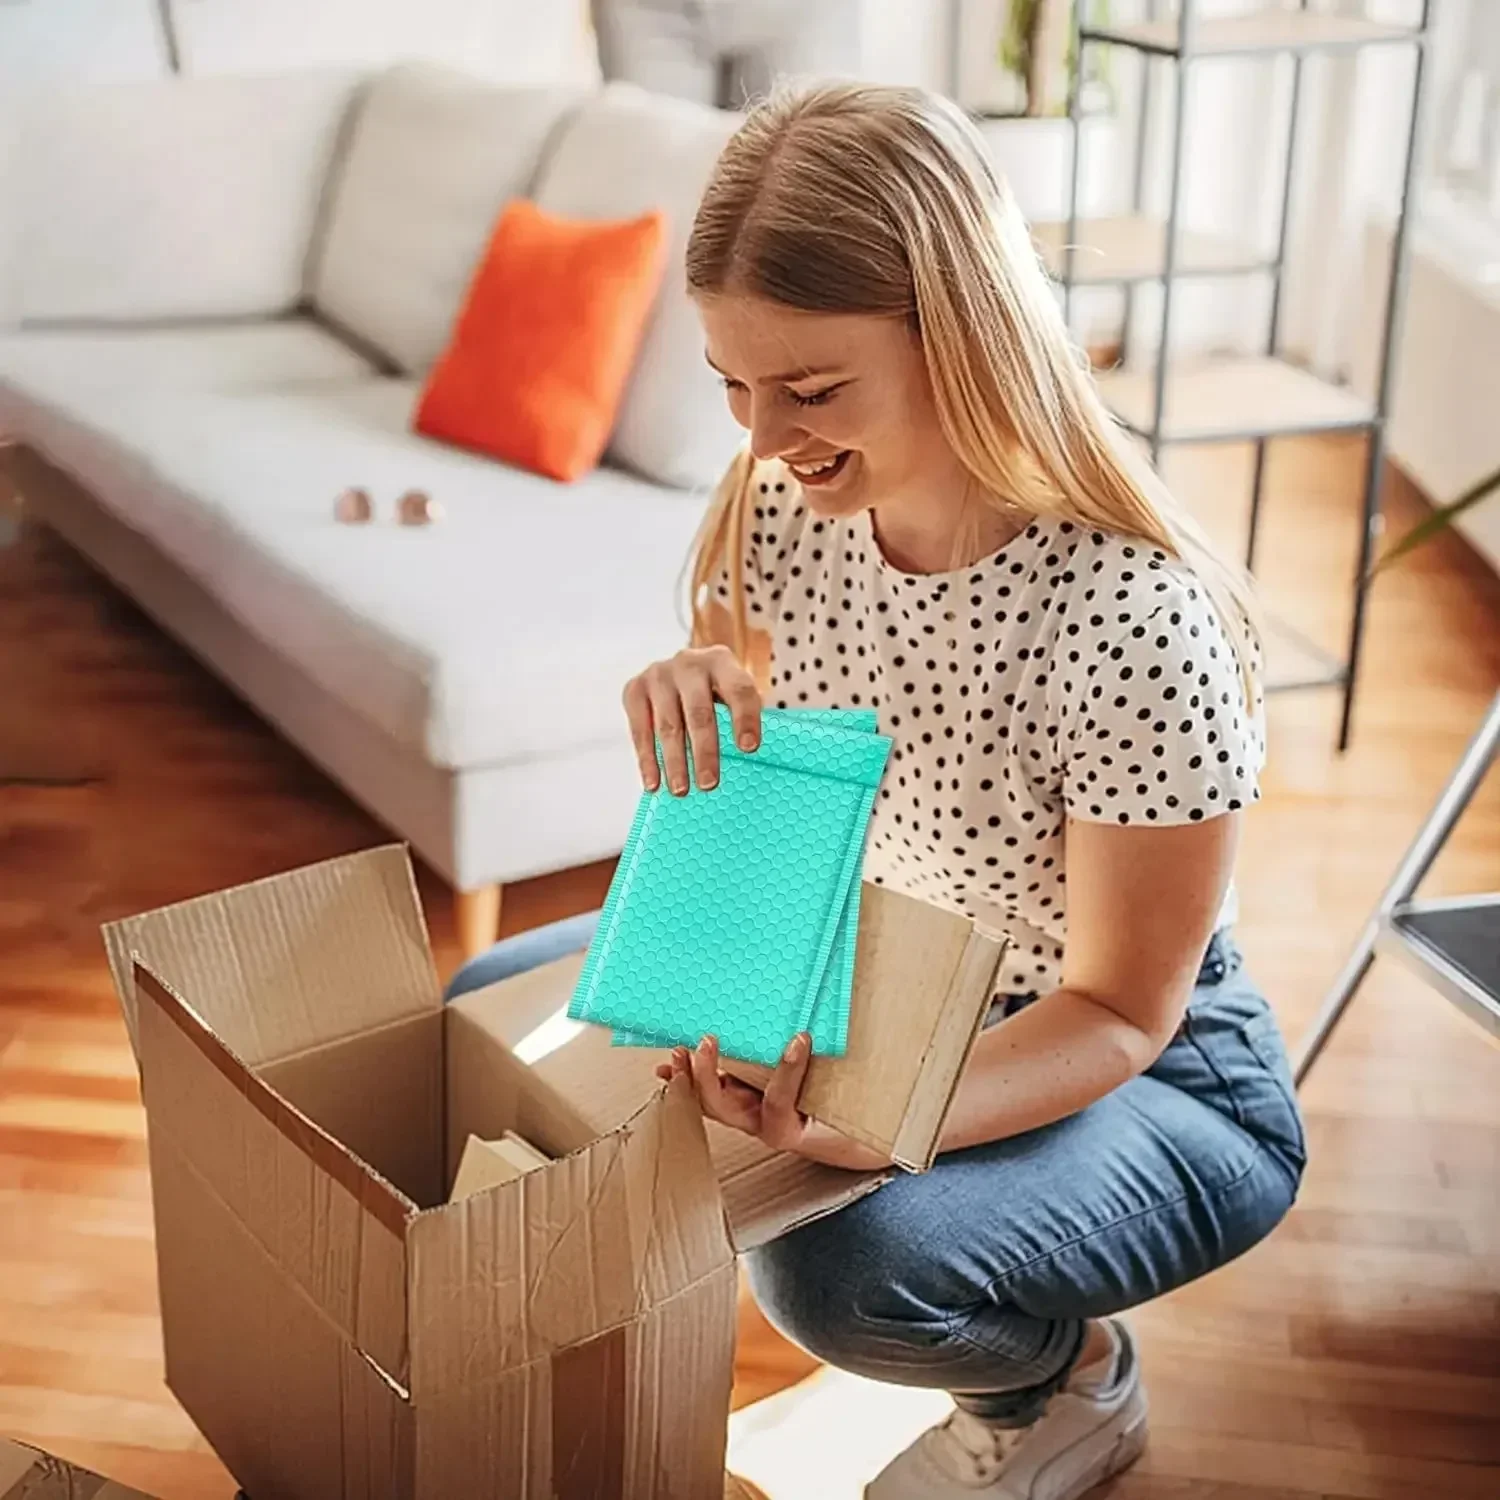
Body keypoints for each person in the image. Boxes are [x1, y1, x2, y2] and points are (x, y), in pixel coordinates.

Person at [448, 82, 1306, 1500]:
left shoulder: (1132, 621)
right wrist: (699, 720)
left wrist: (877, 1119)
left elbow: (1124, 1011)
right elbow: (785, 826)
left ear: (959, 335)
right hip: (893, 956)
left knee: (839, 1270)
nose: (763, 435)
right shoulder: (785, 508)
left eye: (812, 388)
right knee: (497, 999)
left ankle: (1065, 1379)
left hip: (1148, 1067)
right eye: (733, 383)